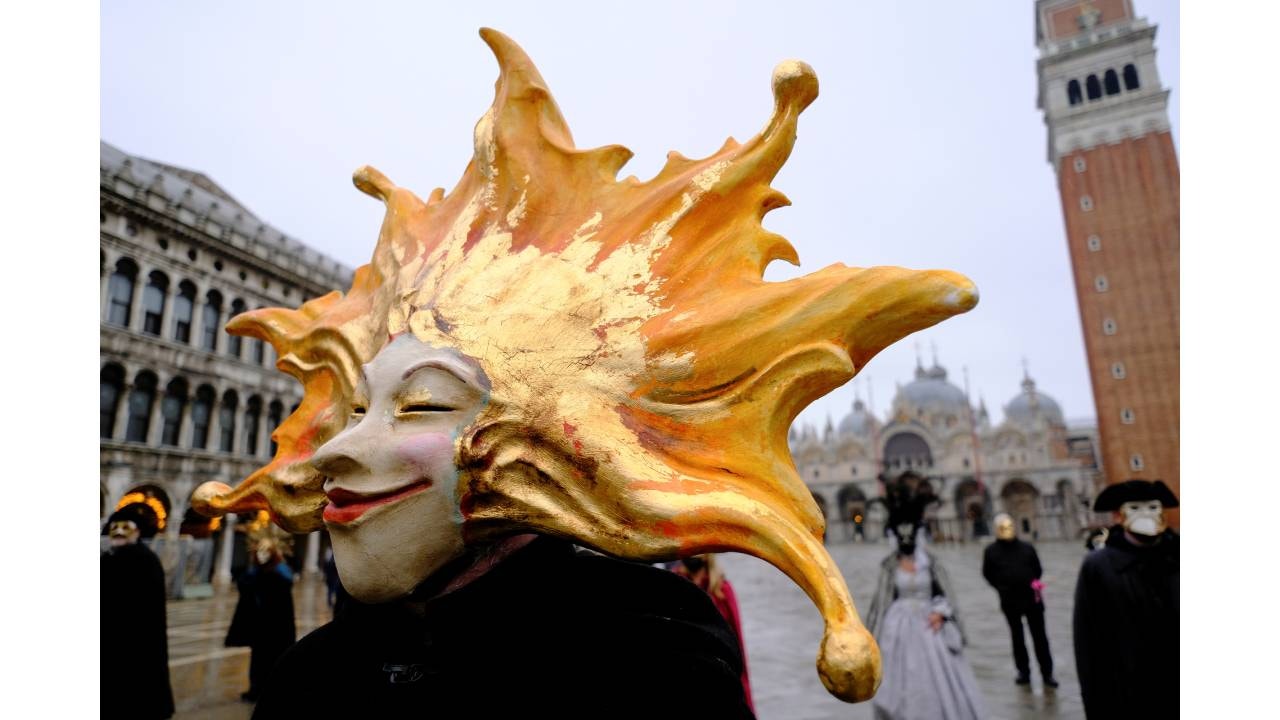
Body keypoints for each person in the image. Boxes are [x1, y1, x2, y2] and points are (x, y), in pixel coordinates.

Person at [190, 27, 980, 711]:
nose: (336, 450)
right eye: (358, 409)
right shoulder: (312, 681)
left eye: (424, 405)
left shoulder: (646, 667)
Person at [866, 482, 987, 720]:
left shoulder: (931, 563)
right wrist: (867, 643)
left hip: (930, 626)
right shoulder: (889, 566)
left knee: (939, 681)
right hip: (898, 630)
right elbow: (880, 604)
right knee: (901, 679)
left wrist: (941, 613)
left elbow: (944, 594)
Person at [1073, 479, 1179, 718]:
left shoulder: (1179, 555)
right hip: (1130, 692)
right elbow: (1089, 643)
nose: (1146, 515)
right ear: (1119, 516)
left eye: (1152, 507)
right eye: (1135, 508)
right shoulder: (1099, 566)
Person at [101, 504, 175, 720]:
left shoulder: (144, 560)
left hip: (134, 643)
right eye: (115, 527)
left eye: (125, 527)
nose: (118, 532)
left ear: (137, 531)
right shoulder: (109, 558)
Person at [982, 512, 1057, 688]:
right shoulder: (991, 551)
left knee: (1040, 637)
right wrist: (1001, 587)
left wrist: (1029, 583)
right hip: (1009, 600)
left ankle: (1047, 673)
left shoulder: (1027, 547)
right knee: (1017, 638)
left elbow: (1038, 569)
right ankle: (1023, 672)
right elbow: (988, 573)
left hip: (1032, 599)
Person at [674, 554, 755, 712]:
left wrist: (746, 699)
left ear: (707, 555)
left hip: (717, 676)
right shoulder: (675, 584)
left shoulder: (722, 590)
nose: (691, 555)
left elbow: (737, 642)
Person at [226, 528, 297, 703]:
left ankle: (268, 690)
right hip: (261, 629)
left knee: (272, 661)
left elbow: (283, 595)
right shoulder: (257, 575)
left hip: (276, 630)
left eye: (266, 552)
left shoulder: (280, 577)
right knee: (259, 661)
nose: (262, 555)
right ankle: (256, 689)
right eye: (260, 552)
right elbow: (246, 588)